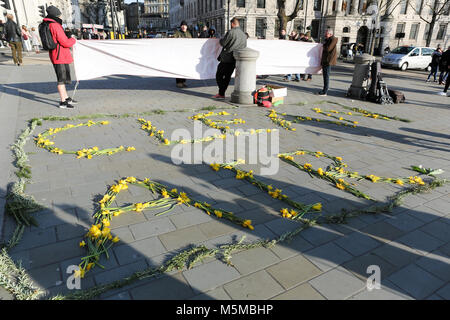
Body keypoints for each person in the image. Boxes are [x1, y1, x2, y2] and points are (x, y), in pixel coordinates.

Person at [43, 5, 77, 108]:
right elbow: (65, 42)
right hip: (59, 55)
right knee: (61, 79)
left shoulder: (48, 24)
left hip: (57, 54)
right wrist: (73, 39)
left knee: (63, 77)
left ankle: (66, 97)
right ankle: (63, 102)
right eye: (60, 14)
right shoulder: (55, 25)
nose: (61, 16)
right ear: (56, 15)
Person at [212, 17, 247, 99]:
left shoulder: (231, 32)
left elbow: (223, 43)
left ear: (232, 24)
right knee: (227, 77)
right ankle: (221, 93)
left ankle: (221, 92)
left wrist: (220, 39)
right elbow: (244, 46)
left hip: (227, 58)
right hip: (236, 59)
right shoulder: (243, 34)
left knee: (219, 75)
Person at [317, 29, 338, 96]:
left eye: (326, 34)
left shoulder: (333, 39)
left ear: (330, 34)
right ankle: (324, 90)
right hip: (325, 60)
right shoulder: (328, 40)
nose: (325, 35)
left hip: (328, 61)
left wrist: (324, 45)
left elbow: (328, 49)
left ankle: (325, 91)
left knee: (326, 76)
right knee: (325, 76)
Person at [174, 21, 192, 88]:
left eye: (185, 25)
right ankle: (179, 82)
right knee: (179, 68)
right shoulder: (177, 33)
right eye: (182, 25)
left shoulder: (188, 34)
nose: (184, 27)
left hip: (186, 54)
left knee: (185, 68)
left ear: (187, 27)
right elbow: (173, 41)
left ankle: (183, 81)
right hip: (179, 54)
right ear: (181, 26)